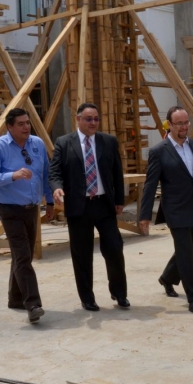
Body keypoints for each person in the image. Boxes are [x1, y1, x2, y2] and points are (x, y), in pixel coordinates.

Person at [139, 106, 193, 313]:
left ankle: (167, 278)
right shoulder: (159, 151)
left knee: (187, 249)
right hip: (175, 210)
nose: (184, 127)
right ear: (170, 125)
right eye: (179, 123)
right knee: (186, 253)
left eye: (186, 122)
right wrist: (145, 215)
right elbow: (150, 184)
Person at [49, 103, 129, 311]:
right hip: (79, 206)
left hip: (104, 204)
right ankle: (87, 298)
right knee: (82, 254)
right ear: (78, 119)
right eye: (88, 119)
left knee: (114, 248)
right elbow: (55, 172)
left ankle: (119, 293)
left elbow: (116, 172)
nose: (93, 122)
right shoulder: (64, 143)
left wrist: (119, 200)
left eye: (96, 118)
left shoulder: (108, 141)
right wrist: (57, 188)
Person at [0, 108, 54, 324]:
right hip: (9, 208)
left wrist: (49, 201)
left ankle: (15, 298)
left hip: (31, 208)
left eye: (27, 123)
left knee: (23, 255)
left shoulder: (37, 144)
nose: (26, 127)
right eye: (21, 124)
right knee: (22, 255)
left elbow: (45, 174)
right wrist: (12, 175)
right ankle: (33, 304)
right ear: (9, 127)